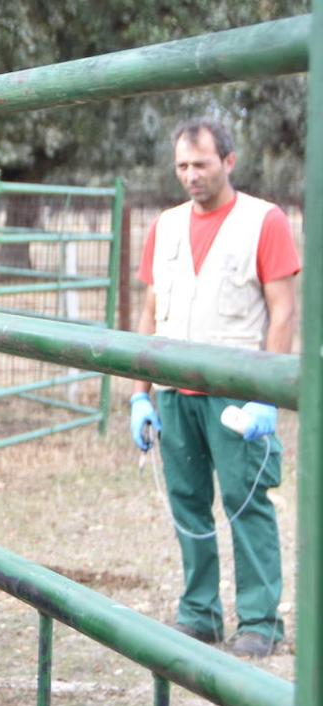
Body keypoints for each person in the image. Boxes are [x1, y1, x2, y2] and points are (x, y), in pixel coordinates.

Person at [129, 118, 300, 658]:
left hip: (236, 390)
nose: (190, 175)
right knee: (187, 503)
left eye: (200, 164)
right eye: (182, 165)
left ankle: (260, 621)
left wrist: (266, 393)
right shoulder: (166, 226)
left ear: (228, 161)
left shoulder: (263, 221)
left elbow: (283, 310)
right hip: (177, 391)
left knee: (245, 501)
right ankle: (198, 612)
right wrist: (141, 393)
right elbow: (151, 311)